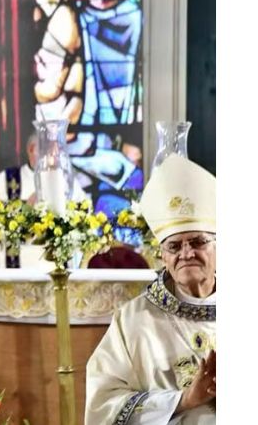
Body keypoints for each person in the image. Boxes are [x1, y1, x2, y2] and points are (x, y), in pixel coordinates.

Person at [85, 155, 215, 424]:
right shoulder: (133, 321)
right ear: (163, 258)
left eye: (198, 241)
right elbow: (101, 405)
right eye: (174, 246)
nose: (187, 253)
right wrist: (184, 400)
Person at [0, 134, 88, 269]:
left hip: (55, 267)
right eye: (47, 151)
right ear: (31, 149)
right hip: (14, 269)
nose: (52, 157)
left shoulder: (65, 183)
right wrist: (24, 210)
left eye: (55, 153)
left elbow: (83, 213)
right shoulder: (6, 180)